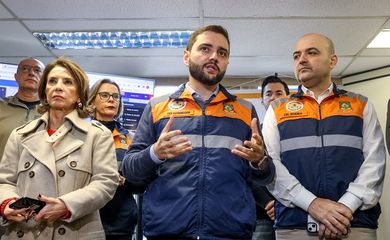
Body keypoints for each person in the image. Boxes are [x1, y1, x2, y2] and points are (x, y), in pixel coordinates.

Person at [121, 25, 275, 240]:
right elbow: (129, 169)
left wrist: (260, 162)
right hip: (168, 231)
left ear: (227, 61)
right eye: (205, 49)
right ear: (186, 56)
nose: (214, 57)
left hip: (230, 232)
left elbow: (265, 177)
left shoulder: (245, 110)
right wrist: (155, 153)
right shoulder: (157, 108)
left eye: (222, 53)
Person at [263, 33, 386, 240]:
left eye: (311, 52)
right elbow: (272, 167)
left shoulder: (361, 105)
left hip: (353, 223)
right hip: (295, 225)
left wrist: (344, 207)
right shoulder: (277, 109)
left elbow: (375, 164)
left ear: (332, 61)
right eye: (296, 56)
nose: (301, 59)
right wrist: (312, 204)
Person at [0, 57, 119, 239]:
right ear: (45, 90)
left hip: (76, 231)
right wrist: (7, 203)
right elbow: (5, 182)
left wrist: (66, 206)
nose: (58, 86)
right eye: (52, 81)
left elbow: (105, 183)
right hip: (24, 231)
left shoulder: (97, 135)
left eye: (68, 82)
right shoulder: (20, 135)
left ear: (79, 93)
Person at [88, 79, 143, 240]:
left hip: (121, 224)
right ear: (92, 101)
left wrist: (123, 180)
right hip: (85, 221)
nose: (111, 100)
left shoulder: (132, 139)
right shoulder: (79, 135)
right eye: (104, 95)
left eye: (116, 96)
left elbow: (142, 183)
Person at [252, 75, 290, 240]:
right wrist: (268, 202)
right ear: (262, 100)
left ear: (288, 98)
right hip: (264, 215)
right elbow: (248, 172)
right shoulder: (253, 134)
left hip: (294, 209)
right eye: (268, 94)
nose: (273, 98)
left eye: (279, 93)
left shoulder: (295, 133)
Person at [0, 58, 45, 160]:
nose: (31, 73)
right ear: (16, 77)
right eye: (25, 69)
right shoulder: (1, 107)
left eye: (37, 70)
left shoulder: (53, 113)